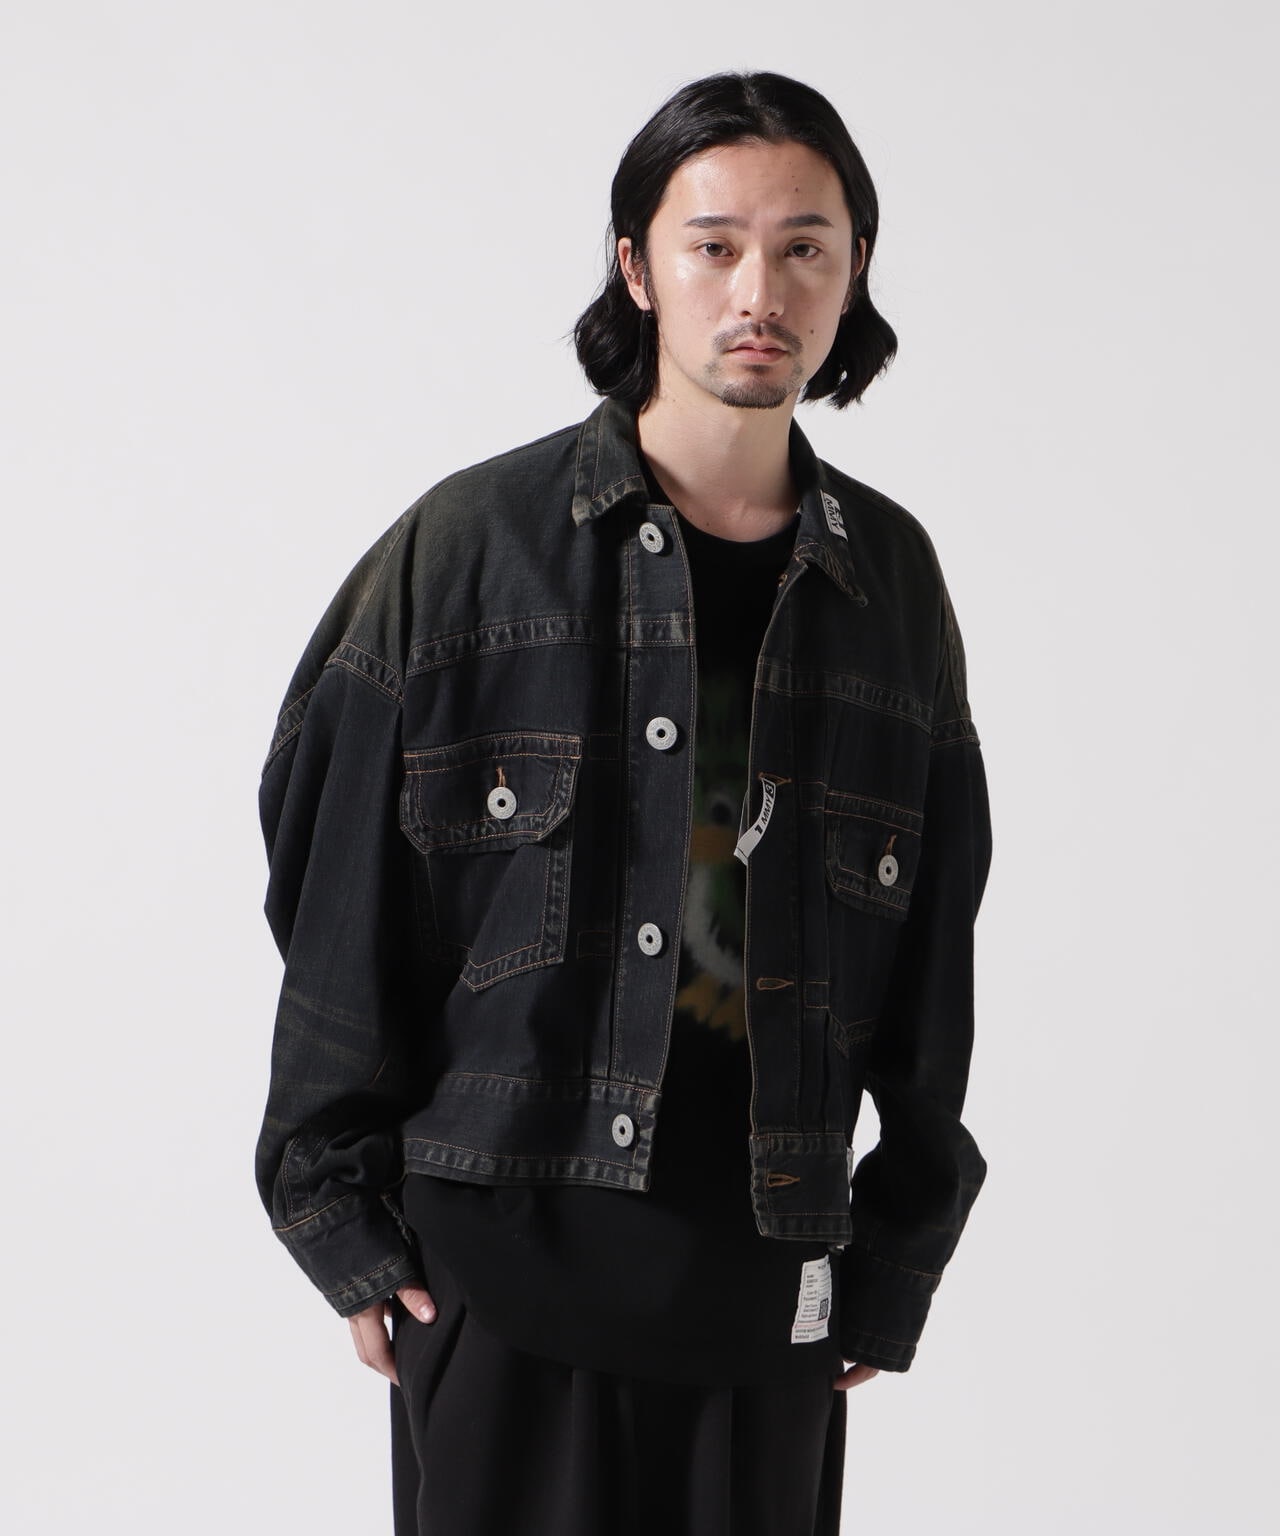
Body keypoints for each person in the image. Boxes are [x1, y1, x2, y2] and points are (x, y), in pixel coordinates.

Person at [255, 69, 993, 1536]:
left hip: (768, 1282)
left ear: (854, 271)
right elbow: (331, 875)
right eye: (713, 244)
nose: (759, 291)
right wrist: (337, 1210)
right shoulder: (470, 549)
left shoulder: (891, 583)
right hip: (497, 1271)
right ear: (637, 267)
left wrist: (899, 1247)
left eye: (804, 246)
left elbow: (932, 947)